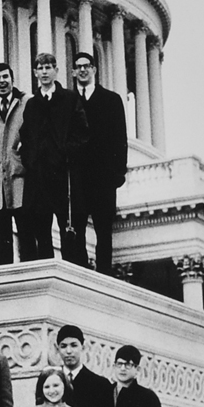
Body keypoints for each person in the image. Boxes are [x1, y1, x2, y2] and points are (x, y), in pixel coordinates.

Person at [19, 53, 89, 262]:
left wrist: (64, 153)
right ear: (35, 73)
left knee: (69, 231)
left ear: (56, 71)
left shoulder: (69, 99)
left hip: (64, 175)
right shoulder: (32, 104)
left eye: (48, 67)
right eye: (40, 68)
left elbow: (82, 133)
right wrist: (31, 160)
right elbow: (26, 137)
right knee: (42, 231)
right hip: (39, 177)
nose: (44, 72)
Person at [71, 52, 128, 274]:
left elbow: (120, 138)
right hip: (77, 177)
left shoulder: (111, 100)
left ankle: (103, 275)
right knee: (77, 230)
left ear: (94, 69)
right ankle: (82, 276)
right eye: (78, 67)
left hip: (103, 177)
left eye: (87, 66)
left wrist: (118, 173)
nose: (83, 70)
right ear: (73, 71)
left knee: (104, 231)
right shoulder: (68, 100)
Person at [0, 63, 29, 265]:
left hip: (19, 178)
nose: (1, 81)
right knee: (1, 240)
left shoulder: (25, 104)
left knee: (27, 235)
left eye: (5, 77)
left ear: (12, 79)